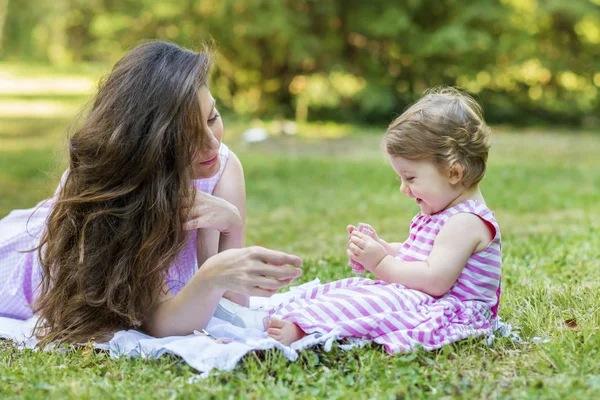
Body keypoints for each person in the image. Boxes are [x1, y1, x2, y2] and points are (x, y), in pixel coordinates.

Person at [0, 41, 302, 346]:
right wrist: (211, 275)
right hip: (18, 272)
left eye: (212, 117)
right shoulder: (122, 189)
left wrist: (232, 225)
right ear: (150, 142)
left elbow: (233, 308)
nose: (212, 144)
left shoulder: (223, 168)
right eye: (189, 136)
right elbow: (158, 321)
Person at [266, 87, 502, 353]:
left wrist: (380, 262)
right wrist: (385, 247)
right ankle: (303, 315)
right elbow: (421, 256)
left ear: (454, 172)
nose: (404, 188)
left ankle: (306, 330)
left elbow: (435, 280)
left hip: (448, 310)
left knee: (380, 302)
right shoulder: (446, 211)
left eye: (410, 178)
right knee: (361, 291)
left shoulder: (465, 222)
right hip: (425, 297)